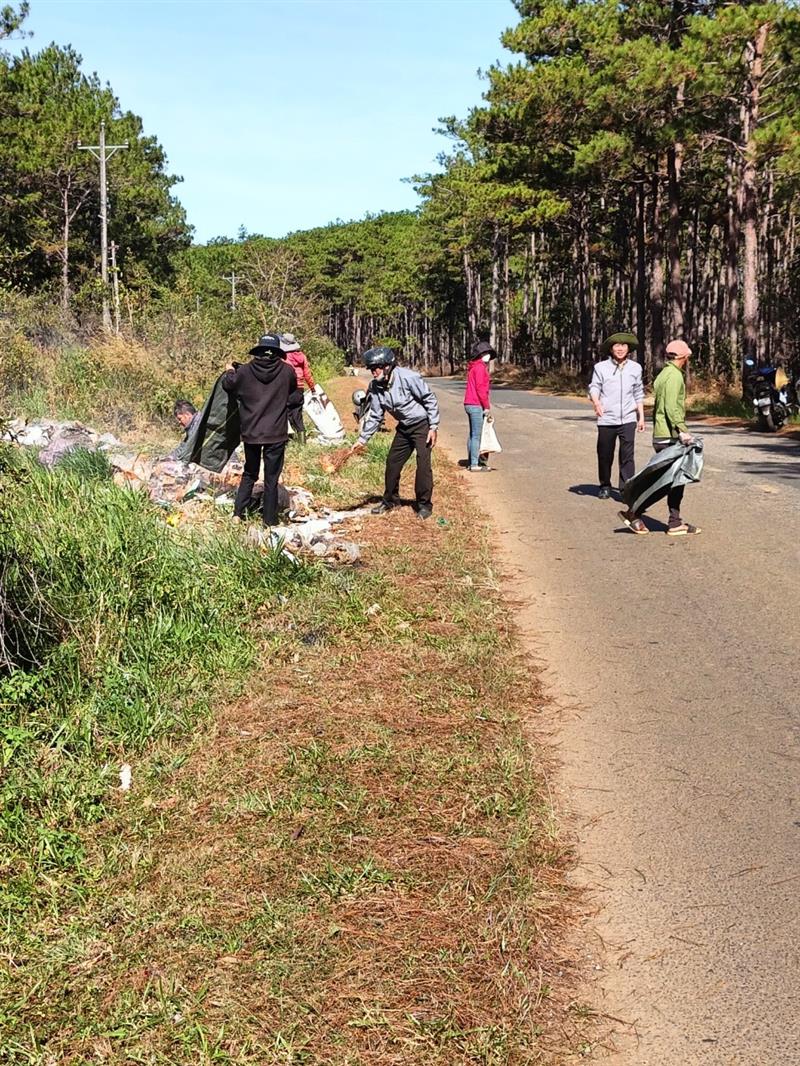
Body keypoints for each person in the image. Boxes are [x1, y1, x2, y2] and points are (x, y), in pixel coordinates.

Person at [618, 338, 702, 536]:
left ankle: (675, 522)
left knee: (674, 482)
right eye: (687, 355)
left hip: (662, 433)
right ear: (683, 357)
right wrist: (682, 431)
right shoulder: (674, 376)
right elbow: (670, 407)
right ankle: (634, 513)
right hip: (670, 435)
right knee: (665, 483)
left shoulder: (664, 373)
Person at [222, 333, 303, 527]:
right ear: (277, 352)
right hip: (276, 433)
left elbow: (228, 385)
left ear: (258, 351)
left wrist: (229, 372)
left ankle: (238, 514)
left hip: (251, 433)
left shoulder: (244, 372)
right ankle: (269, 521)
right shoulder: (287, 371)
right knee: (271, 479)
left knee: (250, 473)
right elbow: (294, 394)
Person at [351, 346, 439, 519]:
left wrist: (433, 426)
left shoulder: (408, 377)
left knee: (423, 464)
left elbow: (429, 399)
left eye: (376, 367)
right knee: (392, 462)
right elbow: (376, 415)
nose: (373, 372)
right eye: (371, 368)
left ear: (387, 366)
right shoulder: (375, 386)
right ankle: (391, 500)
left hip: (422, 425)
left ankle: (424, 505)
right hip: (404, 427)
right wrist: (362, 439)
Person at [588, 332, 645, 499]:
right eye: (617, 345)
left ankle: (626, 488)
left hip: (628, 418)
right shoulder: (601, 368)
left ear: (629, 349)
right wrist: (597, 403)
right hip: (607, 418)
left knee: (627, 455)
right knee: (605, 454)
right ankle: (605, 485)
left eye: (624, 345)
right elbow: (594, 387)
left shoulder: (636, 368)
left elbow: (638, 392)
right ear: (611, 349)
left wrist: (640, 416)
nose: (620, 349)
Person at [279, 332, 317, 444]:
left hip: (287, 388)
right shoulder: (302, 356)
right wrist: (312, 388)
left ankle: (284, 440)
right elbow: (307, 374)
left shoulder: (283, 357)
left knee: (283, 413)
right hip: (299, 388)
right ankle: (302, 440)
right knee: (297, 414)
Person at [464, 340, 494, 472]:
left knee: (472, 435)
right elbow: (481, 389)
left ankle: (472, 461)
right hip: (476, 404)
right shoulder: (480, 368)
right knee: (477, 435)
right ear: (480, 355)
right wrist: (486, 406)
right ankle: (475, 464)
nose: (487, 355)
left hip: (469, 403)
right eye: (485, 353)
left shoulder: (473, 367)